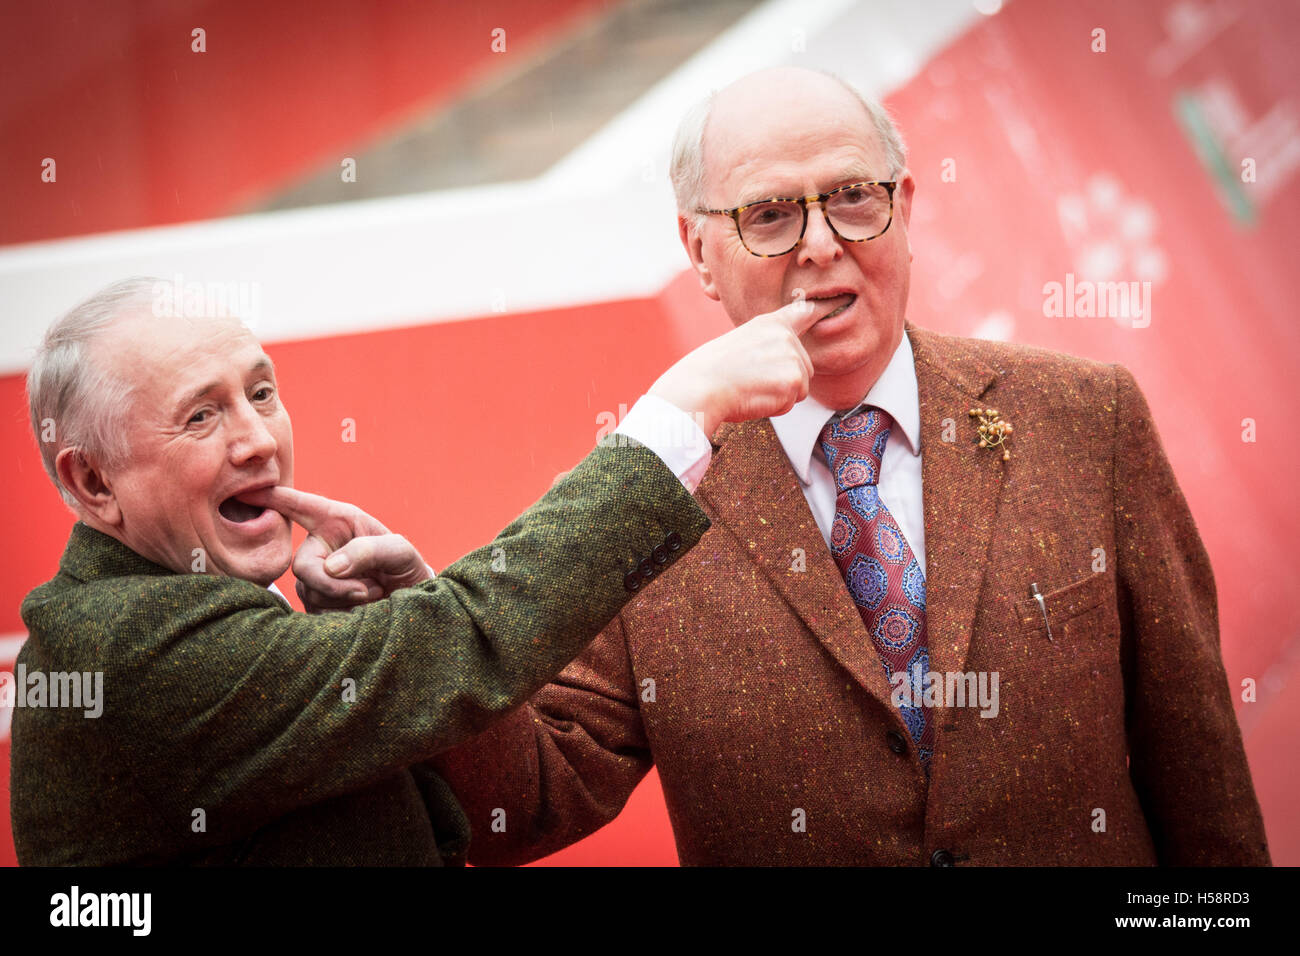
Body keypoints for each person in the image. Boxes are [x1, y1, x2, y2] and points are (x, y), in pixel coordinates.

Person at [407, 67, 1269, 865]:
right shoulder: (646, 503)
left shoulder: (1087, 420)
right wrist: (409, 622)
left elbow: (1201, 775)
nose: (822, 243)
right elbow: (531, 802)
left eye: (855, 197)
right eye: (771, 214)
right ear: (699, 251)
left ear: (907, 206)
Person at [9, 275, 819, 865]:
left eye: (261, 392)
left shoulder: (178, 613)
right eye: (200, 415)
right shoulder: (124, 646)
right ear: (93, 482)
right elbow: (462, 639)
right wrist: (675, 417)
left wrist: (377, 625)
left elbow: (510, 807)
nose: (257, 437)